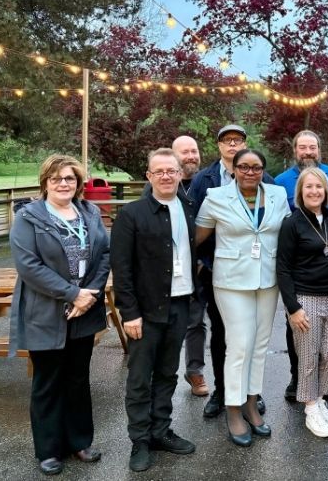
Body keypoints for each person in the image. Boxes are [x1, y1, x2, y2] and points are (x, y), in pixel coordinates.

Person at [9, 155, 110, 476]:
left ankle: (79, 441)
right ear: (45, 183)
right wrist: (72, 294)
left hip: (85, 310)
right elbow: (29, 266)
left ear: (78, 183)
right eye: (56, 179)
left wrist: (89, 295)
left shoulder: (90, 212)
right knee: (48, 381)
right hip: (46, 311)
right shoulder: (28, 217)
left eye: (69, 178)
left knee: (78, 379)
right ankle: (49, 450)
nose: (63, 184)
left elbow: (105, 254)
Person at [195, 148, 290, 447]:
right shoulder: (216, 197)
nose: (250, 172)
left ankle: (251, 403)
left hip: (268, 279)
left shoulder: (277, 195)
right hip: (231, 282)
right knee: (239, 345)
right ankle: (233, 409)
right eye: (244, 167)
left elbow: (288, 235)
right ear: (234, 169)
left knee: (260, 345)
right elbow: (197, 238)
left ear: (263, 170)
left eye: (256, 167)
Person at [111, 148, 197, 472]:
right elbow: (121, 269)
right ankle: (140, 440)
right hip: (145, 311)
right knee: (139, 379)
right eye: (158, 171)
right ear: (148, 176)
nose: (165, 176)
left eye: (171, 170)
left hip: (180, 303)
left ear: (179, 174)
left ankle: (161, 431)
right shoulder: (131, 214)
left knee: (167, 373)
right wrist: (129, 313)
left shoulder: (189, 209)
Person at [188, 125, 272, 418]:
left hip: (257, 272)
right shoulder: (204, 180)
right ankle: (222, 393)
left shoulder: (266, 181)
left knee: (253, 337)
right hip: (218, 270)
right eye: (227, 140)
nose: (232, 144)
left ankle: (251, 393)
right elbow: (194, 223)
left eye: (238, 140)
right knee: (223, 334)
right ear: (219, 146)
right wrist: (199, 260)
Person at [277, 167, 328, 437]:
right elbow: (283, 269)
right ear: (300, 191)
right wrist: (293, 308)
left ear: (326, 191)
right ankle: (310, 408)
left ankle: (321, 399)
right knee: (309, 356)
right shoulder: (292, 223)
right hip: (305, 298)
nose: (314, 191)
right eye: (308, 187)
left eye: (319, 186)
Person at [143, 136, 207, 398]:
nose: (191, 156)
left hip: (198, 266)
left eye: (194, 151)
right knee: (165, 325)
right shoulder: (157, 186)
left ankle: (195, 370)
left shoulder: (205, 181)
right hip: (164, 273)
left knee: (197, 322)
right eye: (184, 152)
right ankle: (154, 377)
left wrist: (201, 259)